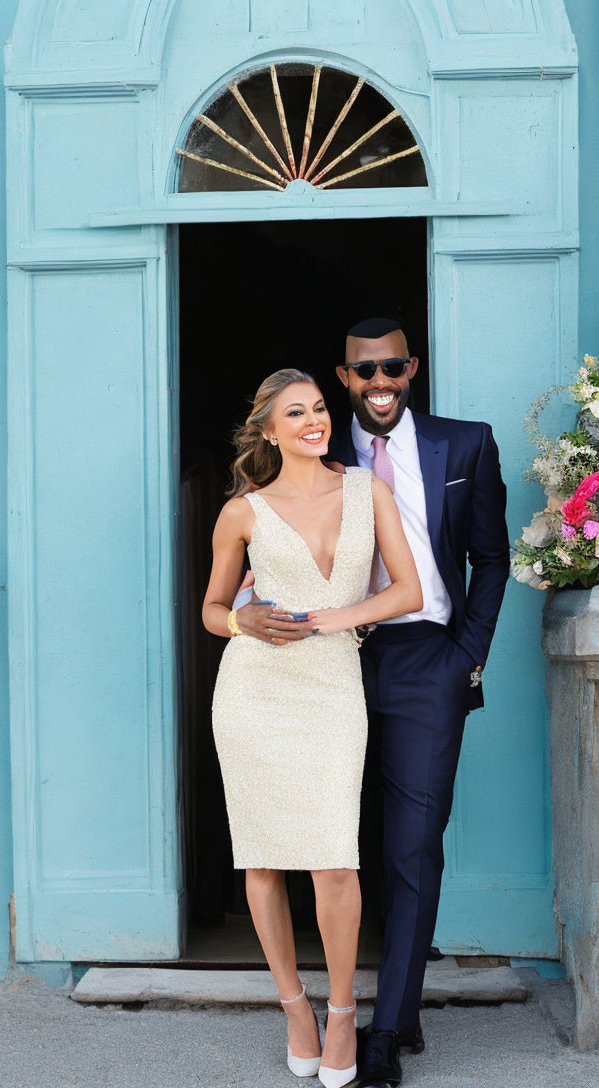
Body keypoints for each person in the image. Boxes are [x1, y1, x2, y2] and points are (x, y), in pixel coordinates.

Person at [233, 321, 510, 1088]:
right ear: (344, 378)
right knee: (331, 844)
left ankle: (387, 1026)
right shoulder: (320, 450)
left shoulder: (466, 444)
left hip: (428, 658)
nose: (379, 381)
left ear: (410, 368)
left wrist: (468, 656)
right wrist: (252, 608)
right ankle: (327, 1006)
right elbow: (268, 552)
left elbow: (492, 559)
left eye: (393, 366)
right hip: (326, 664)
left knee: (413, 841)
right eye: (364, 371)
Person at [203, 368, 422, 1088]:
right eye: (295, 413)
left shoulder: (368, 490)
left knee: (335, 857)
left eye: (320, 409)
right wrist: (242, 619)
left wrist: (331, 619)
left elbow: (407, 591)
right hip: (255, 689)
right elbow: (210, 610)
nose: (313, 421)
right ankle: (294, 1005)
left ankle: (339, 1012)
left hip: (332, 686)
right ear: (268, 429)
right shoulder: (243, 511)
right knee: (262, 857)